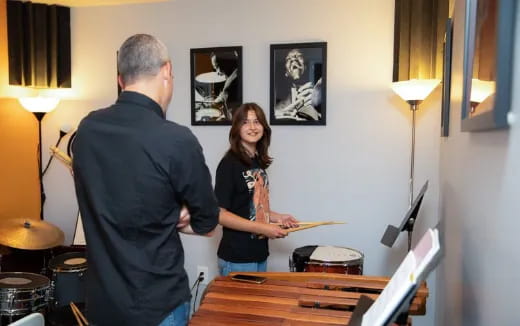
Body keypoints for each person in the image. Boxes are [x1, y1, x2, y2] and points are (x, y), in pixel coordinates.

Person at [72, 34, 220, 326]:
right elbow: (208, 222)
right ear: (166, 71)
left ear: (120, 79)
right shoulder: (176, 140)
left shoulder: (87, 130)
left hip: (102, 306)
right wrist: (174, 214)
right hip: (157, 307)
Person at [215, 102, 299, 276]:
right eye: (245, 122)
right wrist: (263, 228)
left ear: (264, 127)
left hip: (259, 254)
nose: (252, 127)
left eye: (257, 122)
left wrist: (278, 218)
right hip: (237, 258)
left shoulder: (257, 162)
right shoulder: (229, 164)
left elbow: (252, 207)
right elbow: (219, 214)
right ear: (237, 128)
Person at [274, 48, 323, 121]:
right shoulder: (277, 108)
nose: (293, 59)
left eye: (299, 56)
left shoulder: (319, 94)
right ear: (286, 72)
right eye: (288, 59)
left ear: (306, 67)